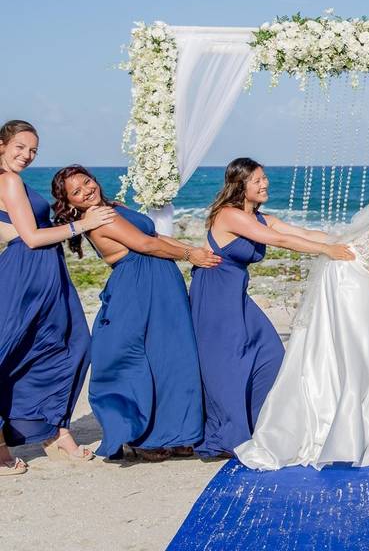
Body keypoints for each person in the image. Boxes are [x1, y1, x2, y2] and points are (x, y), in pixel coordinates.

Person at [236, 164, 369, 470]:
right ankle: (345, 433)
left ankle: (363, 430)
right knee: (359, 349)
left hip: (357, 277)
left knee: (365, 350)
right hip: (348, 282)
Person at [51, 165, 219, 462]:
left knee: (174, 355)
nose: (87, 190)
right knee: (143, 357)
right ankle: (142, 437)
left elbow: (156, 236)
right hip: (136, 286)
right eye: (76, 192)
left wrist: (193, 250)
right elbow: (144, 244)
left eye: (87, 182)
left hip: (161, 282)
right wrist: (189, 255)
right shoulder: (99, 218)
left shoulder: (113, 206)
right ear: (70, 203)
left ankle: (178, 434)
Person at [191, 158, 354, 458]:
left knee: (269, 353)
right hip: (214, 294)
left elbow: (300, 232)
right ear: (240, 185)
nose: (264, 183)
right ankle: (228, 435)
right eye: (257, 180)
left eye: (264, 178)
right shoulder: (229, 215)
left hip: (235, 294)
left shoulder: (260, 217)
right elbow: (278, 240)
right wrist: (326, 251)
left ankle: (262, 425)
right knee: (226, 364)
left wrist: (346, 242)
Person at [0, 120, 115, 475]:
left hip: (46, 272)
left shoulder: (11, 181)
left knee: (70, 345)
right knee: (9, 351)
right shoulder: (9, 180)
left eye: (33, 150)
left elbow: (19, 230)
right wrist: (82, 225)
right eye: (20, 147)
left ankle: (54, 431)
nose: (27, 155)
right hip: (25, 273)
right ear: (2, 144)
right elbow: (32, 238)